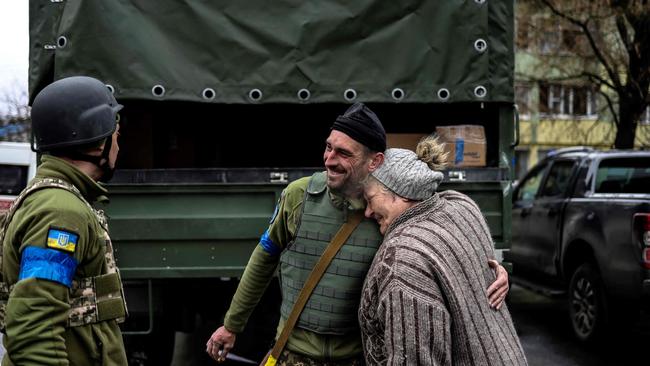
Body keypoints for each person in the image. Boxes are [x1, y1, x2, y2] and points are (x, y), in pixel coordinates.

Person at [206, 103, 510, 365]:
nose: (329, 159)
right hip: (294, 353)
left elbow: (443, 232)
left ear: (374, 161)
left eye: (343, 153)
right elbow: (264, 259)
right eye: (328, 147)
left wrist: (491, 270)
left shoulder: (390, 208)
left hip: (358, 357)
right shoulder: (298, 197)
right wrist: (231, 325)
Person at [358, 137, 527, 365]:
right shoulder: (463, 206)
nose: (367, 212)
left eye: (370, 200)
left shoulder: (402, 260)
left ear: (402, 193)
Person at [0, 76, 129, 365]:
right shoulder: (60, 212)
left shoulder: (61, 200)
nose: (118, 145)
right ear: (98, 144)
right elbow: (34, 328)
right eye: (116, 134)